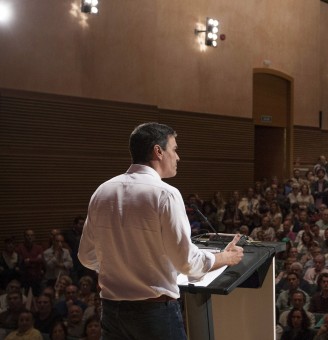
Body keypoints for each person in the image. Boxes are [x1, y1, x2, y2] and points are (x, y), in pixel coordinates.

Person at [77, 123, 244, 339]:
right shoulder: (165, 194)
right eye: (174, 149)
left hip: (112, 311)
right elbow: (186, 263)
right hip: (153, 313)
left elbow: (86, 256)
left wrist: (121, 269)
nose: (178, 157)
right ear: (158, 151)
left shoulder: (103, 191)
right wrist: (225, 257)